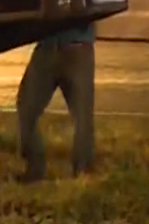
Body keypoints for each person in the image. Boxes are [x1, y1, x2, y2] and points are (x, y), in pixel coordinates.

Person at [16, 20, 96, 182]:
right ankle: (80, 171)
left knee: (82, 116)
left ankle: (39, 169)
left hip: (62, 45)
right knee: (82, 116)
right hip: (66, 45)